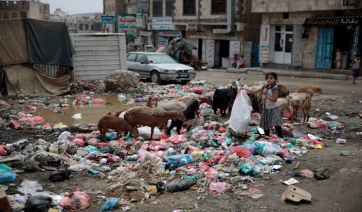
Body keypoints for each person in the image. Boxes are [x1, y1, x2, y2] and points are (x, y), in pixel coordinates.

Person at [241, 72, 283, 138]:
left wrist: (266, 94)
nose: (269, 80)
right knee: (266, 122)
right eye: (267, 78)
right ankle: (267, 136)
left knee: (276, 122)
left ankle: (281, 136)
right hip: (266, 107)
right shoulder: (265, 86)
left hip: (273, 107)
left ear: (275, 79)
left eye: (271, 78)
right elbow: (255, 92)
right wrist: (245, 89)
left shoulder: (275, 88)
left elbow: (275, 100)